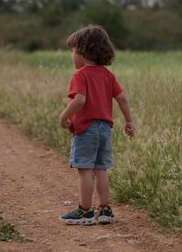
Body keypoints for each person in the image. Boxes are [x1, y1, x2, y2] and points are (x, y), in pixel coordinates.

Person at [58, 25, 134, 225]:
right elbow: (122, 98)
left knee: (84, 169)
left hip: (86, 129)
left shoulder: (80, 75)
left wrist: (64, 116)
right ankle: (105, 210)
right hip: (105, 130)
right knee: (101, 169)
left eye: (73, 50)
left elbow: (80, 100)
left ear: (83, 51)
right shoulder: (107, 75)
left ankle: (85, 211)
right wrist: (128, 121)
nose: (72, 55)